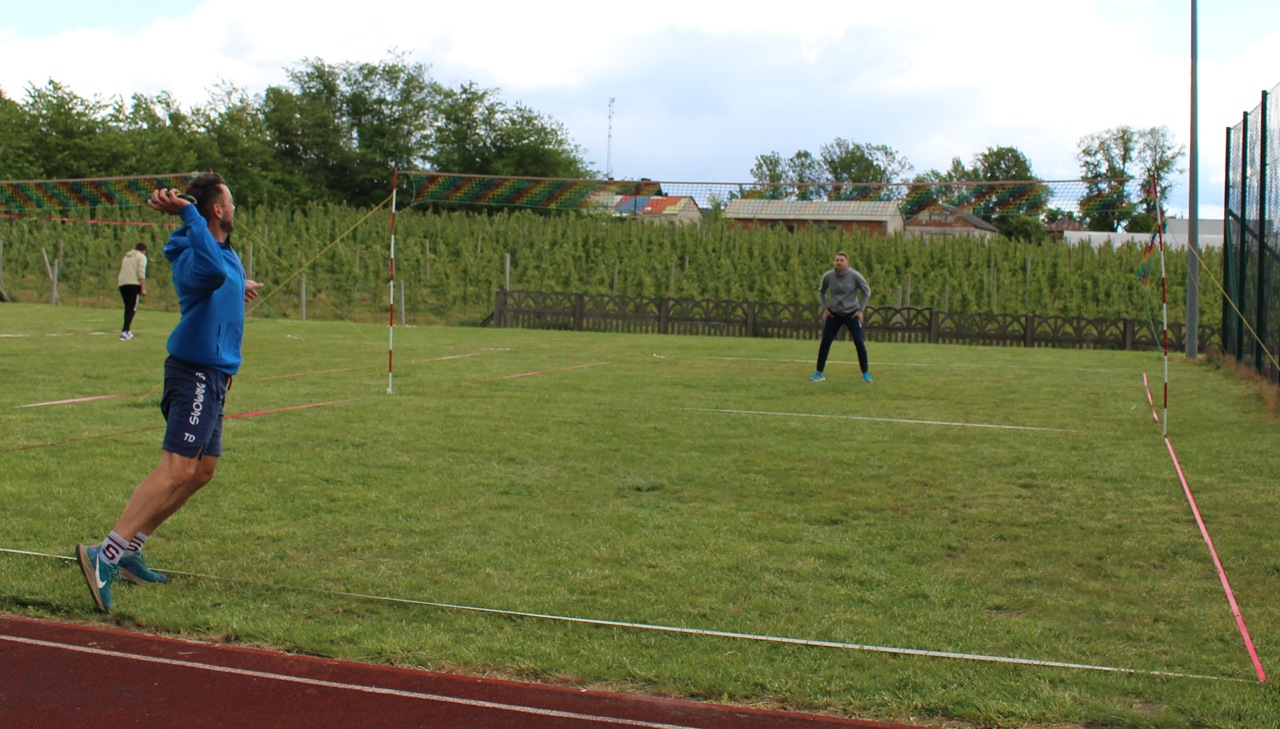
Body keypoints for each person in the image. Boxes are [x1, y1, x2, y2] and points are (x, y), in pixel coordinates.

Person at [77, 172, 262, 613]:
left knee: (202, 471)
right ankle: (104, 554)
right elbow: (209, 273)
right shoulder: (193, 252)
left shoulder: (222, 251)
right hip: (194, 372)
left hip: (215, 375)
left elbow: (221, 276)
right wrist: (187, 214)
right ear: (216, 209)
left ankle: (130, 551)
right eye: (230, 202)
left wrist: (240, 286)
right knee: (177, 468)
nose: (234, 208)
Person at [809, 251, 873, 383]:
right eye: (837, 260)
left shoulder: (855, 276)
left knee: (859, 341)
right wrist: (825, 308)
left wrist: (860, 310)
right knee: (825, 341)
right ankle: (819, 373)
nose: (839, 262)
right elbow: (821, 292)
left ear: (847, 262)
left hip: (852, 313)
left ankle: (865, 373)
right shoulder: (828, 276)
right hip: (834, 313)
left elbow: (867, 291)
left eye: (841, 260)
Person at [117, 242, 148, 340]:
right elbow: (141, 273)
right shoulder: (142, 257)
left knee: (128, 308)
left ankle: (128, 330)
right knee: (132, 309)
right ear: (144, 250)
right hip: (134, 285)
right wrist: (143, 288)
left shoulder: (126, 257)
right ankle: (124, 332)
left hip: (122, 284)